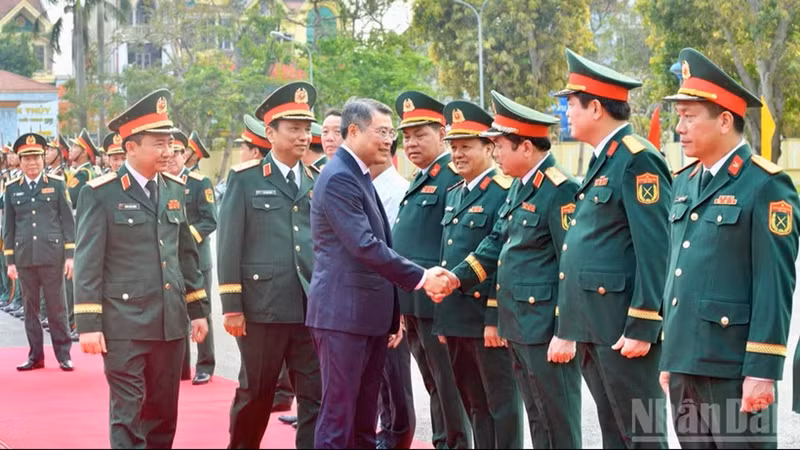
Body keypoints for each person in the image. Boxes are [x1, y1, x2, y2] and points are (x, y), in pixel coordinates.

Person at [660, 48, 798, 448]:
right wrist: (671, 355)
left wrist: (762, 369)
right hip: (686, 364)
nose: (679, 127)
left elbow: (774, 285)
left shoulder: (765, 185)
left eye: (689, 116)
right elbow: (676, 271)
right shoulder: (684, 181)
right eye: (678, 116)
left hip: (733, 368)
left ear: (724, 120)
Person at [306, 96, 457, 449]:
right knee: (339, 419)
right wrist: (422, 277)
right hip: (343, 318)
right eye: (383, 132)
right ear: (354, 131)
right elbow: (364, 245)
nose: (390, 140)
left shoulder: (358, 175)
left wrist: (392, 314)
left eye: (391, 133)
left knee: (363, 421)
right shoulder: (339, 177)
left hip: (365, 319)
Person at [73, 88, 209, 449]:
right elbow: (88, 261)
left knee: (163, 415)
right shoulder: (100, 193)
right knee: (128, 413)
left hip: (169, 323)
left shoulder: (176, 189)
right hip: (124, 324)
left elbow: (185, 256)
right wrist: (88, 324)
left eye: (170, 143)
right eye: (158, 144)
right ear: (130, 146)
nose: (168, 151)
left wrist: (198, 310)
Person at [447, 91, 583, 448]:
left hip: (545, 328)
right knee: (538, 416)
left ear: (526, 147)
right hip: (519, 323)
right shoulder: (520, 186)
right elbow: (496, 243)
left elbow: (570, 263)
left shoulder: (560, 188)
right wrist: (455, 277)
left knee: (559, 421)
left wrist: (566, 331)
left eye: (500, 146)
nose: (495, 154)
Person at [553, 48, 672, 448]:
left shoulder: (638, 160)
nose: (566, 113)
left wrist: (643, 324)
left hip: (623, 328)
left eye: (572, 104)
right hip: (596, 324)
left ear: (596, 107)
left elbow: (655, 249)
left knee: (642, 434)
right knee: (615, 432)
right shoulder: (604, 158)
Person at [217, 81, 322, 449]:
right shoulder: (245, 180)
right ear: (271, 133)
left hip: (309, 308)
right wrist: (232, 306)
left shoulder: (316, 180)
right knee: (257, 393)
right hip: (263, 309)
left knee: (315, 395)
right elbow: (229, 245)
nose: (303, 136)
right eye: (294, 129)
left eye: (306, 129)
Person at [432, 99, 523, 449]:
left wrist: (494, 319)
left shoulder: (503, 193)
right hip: (456, 317)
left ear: (489, 147)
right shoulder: (455, 194)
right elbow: (448, 255)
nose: (457, 154)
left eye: (466, 146)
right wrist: (443, 319)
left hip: (486, 321)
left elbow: (502, 260)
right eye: (453, 147)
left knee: (502, 406)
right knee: (473, 404)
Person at [392, 90, 469, 449]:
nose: (411, 143)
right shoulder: (422, 178)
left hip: (437, 302)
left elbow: (454, 242)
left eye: (420, 135)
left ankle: (454, 443)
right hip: (414, 302)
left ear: (442, 133)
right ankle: (443, 442)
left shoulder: (451, 177)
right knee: (434, 384)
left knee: (449, 387)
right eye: (406, 136)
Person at [4, 133, 75, 372]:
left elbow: (68, 222)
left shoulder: (57, 184)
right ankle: (35, 356)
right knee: (30, 309)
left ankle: (64, 355)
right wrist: (10, 261)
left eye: (36, 158)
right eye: (26, 158)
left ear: (43, 159)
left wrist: (70, 256)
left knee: (57, 308)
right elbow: (9, 227)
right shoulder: (13, 189)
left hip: (52, 255)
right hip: (25, 257)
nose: (32, 163)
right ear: (20, 161)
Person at [373, 137, 415, 449]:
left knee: (396, 373)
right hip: (373, 293)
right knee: (381, 373)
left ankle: (399, 435)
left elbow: (395, 251)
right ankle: (386, 430)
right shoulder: (369, 186)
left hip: (391, 293)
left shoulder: (397, 189)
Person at [170, 130, 218, 386]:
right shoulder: (162, 183)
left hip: (198, 259)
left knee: (201, 311)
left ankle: (205, 365)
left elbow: (210, 220)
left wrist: (184, 238)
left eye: (177, 153)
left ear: (185, 155)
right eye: (169, 152)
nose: (172, 157)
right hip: (171, 261)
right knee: (176, 313)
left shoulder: (200, 183)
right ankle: (181, 367)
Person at [67, 128, 98, 206]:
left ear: (84, 152)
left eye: (74, 147)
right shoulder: (87, 170)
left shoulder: (83, 174)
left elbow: (69, 199)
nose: (70, 149)